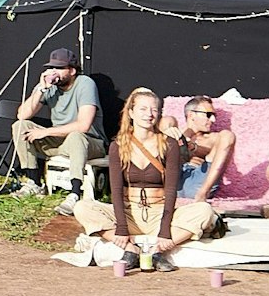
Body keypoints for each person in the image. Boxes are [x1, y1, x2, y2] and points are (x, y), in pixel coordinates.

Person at [74, 88, 217, 271]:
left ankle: (157, 251)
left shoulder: (169, 144)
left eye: (154, 110)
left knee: (204, 210)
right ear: (131, 112)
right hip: (128, 212)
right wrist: (122, 229)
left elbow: (171, 190)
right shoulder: (118, 145)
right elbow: (115, 190)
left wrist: (165, 233)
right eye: (143, 109)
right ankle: (130, 249)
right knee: (82, 207)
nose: (149, 114)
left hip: (159, 213)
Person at [11, 47, 105, 215]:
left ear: (72, 71)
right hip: (60, 141)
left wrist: (46, 132)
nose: (54, 71)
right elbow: (22, 115)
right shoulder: (49, 87)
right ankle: (33, 182)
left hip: (90, 143)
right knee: (20, 126)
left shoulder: (84, 84)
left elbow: (83, 125)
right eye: (52, 67)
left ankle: (75, 193)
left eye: (59, 68)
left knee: (76, 136)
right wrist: (41, 89)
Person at [161, 95, 236, 201]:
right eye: (208, 115)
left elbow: (209, 150)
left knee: (228, 135)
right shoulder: (177, 132)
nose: (213, 120)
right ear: (191, 115)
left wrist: (192, 147)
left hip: (198, 183)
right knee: (168, 120)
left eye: (214, 115)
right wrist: (183, 135)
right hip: (173, 179)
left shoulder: (214, 138)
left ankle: (203, 194)